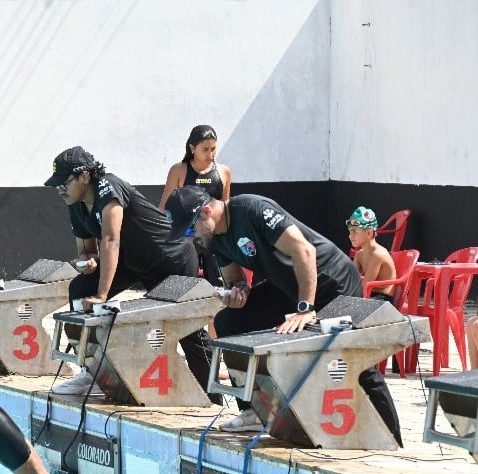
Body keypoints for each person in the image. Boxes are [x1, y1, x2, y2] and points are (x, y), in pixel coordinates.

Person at [165, 186, 403, 444]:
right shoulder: (214, 239)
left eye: (189, 230)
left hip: (332, 281)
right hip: (289, 287)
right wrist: (237, 293)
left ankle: (392, 437)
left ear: (206, 212)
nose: (191, 238)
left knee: (351, 356)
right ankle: (254, 410)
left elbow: (304, 252)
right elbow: (236, 280)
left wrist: (305, 308)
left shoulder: (252, 209)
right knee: (229, 321)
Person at [43, 146, 215, 399]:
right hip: (133, 261)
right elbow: (88, 251)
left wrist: (102, 296)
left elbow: (111, 240)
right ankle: (94, 371)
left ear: (85, 175)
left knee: (189, 332)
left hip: (170, 258)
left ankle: (213, 399)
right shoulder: (76, 204)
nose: (59, 190)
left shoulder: (108, 187)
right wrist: (89, 262)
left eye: (63, 183)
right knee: (80, 289)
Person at [158, 125, 233, 289]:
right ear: (192, 148)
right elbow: (164, 207)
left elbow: (226, 209)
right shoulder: (179, 170)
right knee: (184, 287)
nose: (211, 154)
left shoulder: (224, 172)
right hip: (187, 237)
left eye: (213, 149)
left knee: (218, 287)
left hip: (213, 238)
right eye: (205, 149)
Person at [347, 207, 396, 301]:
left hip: (383, 299)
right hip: (370, 295)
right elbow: (351, 279)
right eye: (350, 232)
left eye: (354, 232)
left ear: (369, 233)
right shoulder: (359, 255)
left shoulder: (378, 254)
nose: (350, 236)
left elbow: (365, 286)